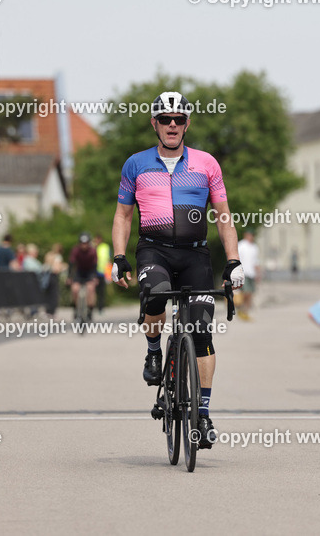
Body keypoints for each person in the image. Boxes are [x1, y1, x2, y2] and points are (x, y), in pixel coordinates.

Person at [111, 91, 244, 450]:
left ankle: (202, 413)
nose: (173, 124)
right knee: (155, 298)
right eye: (165, 118)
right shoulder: (135, 164)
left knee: (201, 331)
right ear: (154, 123)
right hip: (154, 250)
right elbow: (123, 216)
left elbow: (224, 215)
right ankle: (154, 349)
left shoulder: (206, 164)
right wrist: (119, 256)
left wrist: (232, 260)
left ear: (187, 124)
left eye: (179, 118)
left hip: (195, 255)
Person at [69, 233, 98, 316]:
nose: (84, 245)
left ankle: (90, 309)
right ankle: (75, 308)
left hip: (90, 272)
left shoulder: (92, 251)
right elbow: (71, 263)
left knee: (90, 289)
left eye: (86, 243)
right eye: (82, 243)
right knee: (75, 289)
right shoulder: (76, 250)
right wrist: (69, 277)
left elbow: (95, 265)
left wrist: (95, 277)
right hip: (79, 271)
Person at [237, 231, 260, 320]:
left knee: (250, 293)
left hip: (252, 273)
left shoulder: (254, 247)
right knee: (246, 292)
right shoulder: (241, 245)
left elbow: (256, 261)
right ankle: (241, 308)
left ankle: (245, 311)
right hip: (243, 272)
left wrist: (258, 273)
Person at [41, 244, 66, 315]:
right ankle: (52, 311)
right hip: (53, 275)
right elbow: (57, 268)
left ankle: (47, 310)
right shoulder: (58, 257)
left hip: (46, 275)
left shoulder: (49, 254)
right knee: (54, 294)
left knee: (47, 293)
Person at [94, 234, 111, 313]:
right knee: (93, 290)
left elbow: (109, 259)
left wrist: (109, 273)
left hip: (103, 272)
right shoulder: (93, 247)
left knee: (101, 291)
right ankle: (93, 306)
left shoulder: (105, 247)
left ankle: (101, 307)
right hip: (94, 272)